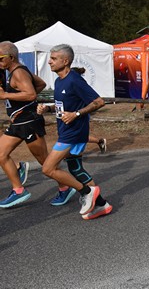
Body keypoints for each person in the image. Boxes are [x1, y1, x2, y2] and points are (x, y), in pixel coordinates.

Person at [37, 44, 111, 219]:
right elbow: (62, 107)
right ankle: (101, 205)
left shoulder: (75, 80)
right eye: (50, 58)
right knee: (75, 168)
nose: (49, 62)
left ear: (65, 61)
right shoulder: (58, 80)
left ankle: (86, 192)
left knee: (48, 169)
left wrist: (76, 114)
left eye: (53, 59)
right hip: (66, 131)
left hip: (74, 133)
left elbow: (99, 102)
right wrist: (48, 110)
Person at [0, 42, 50, 208]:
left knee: (46, 163)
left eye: (0, 58)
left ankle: (74, 187)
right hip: (19, 121)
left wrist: (6, 95)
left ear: (11, 58)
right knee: (1, 153)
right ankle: (19, 190)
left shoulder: (19, 72)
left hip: (29, 122)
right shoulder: (14, 71)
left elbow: (30, 94)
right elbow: (41, 84)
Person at [72, 67, 108, 153]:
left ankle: (72, 154)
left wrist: (78, 113)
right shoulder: (69, 85)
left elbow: (97, 102)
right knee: (75, 135)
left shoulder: (80, 85)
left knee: (78, 135)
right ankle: (99, 141)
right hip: (70, 115)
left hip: (79, 115)